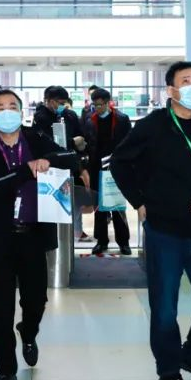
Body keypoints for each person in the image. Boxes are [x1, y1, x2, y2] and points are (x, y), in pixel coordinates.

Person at [110, 61, 191, 380]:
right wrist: (138, 201)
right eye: (186, 81)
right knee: (165, 307)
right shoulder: (153, 126)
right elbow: (119, 161)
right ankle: (168, 369)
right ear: (171, 90)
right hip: (165, 230)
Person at [0, 89, 78, 380]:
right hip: (0, 238)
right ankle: (6, 371)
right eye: (0, 107)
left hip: (33, 234)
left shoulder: (36, 137)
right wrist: (24, 170)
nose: (7, 111)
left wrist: (47, 160)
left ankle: (28, 332)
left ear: (21, 112)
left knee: (36, 299)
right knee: (0, 306)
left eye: (12, 106)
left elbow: (70, 157)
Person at [33, 86, 92, 241]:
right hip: (50, 167)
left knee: (72, 200)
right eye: (58, 102)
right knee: (53, 201)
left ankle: (75, 231)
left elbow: (81, 137)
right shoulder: (40, 118)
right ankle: (51, 235)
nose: (61, 106)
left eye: (63, 103)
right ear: (48, 101)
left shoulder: (70, 115)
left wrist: (82, 165)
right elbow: (44, 143)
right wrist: (72, 142)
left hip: (71, 164)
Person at [84, 88, 133, 256]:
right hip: (97, 168)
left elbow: (129, 143)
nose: (97, 108)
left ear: (108, 103)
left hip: (116, 168)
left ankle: (123, 242)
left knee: (118, 206)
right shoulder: (90, 121)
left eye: (100, 104)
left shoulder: (121, 119)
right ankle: (101, 241)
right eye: (95, 105)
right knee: (99, 208)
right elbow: (88, 144)